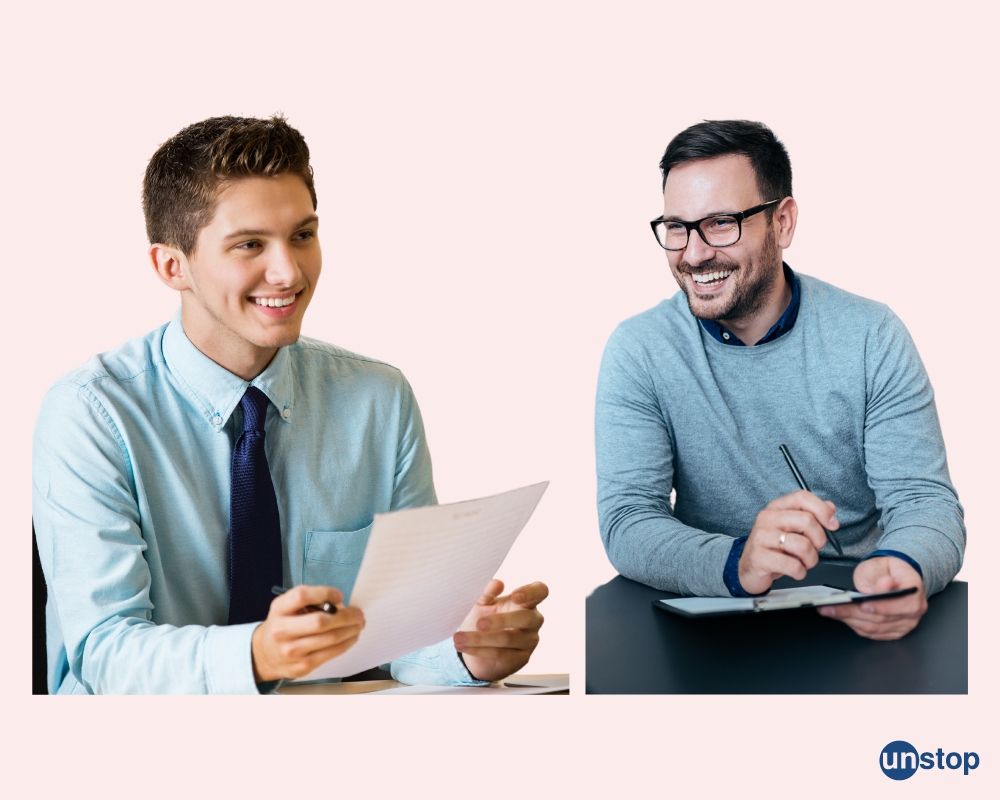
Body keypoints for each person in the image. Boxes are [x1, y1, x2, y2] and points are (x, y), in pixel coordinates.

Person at [33, 115, 547, 693]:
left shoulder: (378, 400)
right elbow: (105, 652)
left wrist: (465, 651)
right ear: (171, 266)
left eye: (302, 235)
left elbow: (403, 634)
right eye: (250, 244)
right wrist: (256, 654)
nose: (290, 271)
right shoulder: (91, 414)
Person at [595, 120, 964, 641]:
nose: (694, 253)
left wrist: (904, 566)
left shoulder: (870, 334)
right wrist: (738, 562)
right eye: (677, 227)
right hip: (712, 617)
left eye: (721, 222)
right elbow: (628, 521)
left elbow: (924, 502)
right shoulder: (640, 350)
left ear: (783, 222)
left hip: (858, 614)